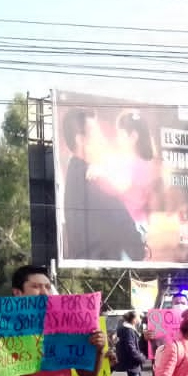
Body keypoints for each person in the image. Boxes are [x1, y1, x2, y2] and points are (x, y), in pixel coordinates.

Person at [60, 107, 146, 262]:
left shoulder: (79, 171)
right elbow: (124, 226)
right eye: (96, 132)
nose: (102, 138)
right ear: (81, 140)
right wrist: (140, 248)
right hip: (109, 264)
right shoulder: (93, 177)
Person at [114, 311, 147, 376]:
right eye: (139, 317)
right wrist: (141, 358)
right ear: (134, 320)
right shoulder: (129, 331)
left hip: (133, 364)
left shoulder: (128, 329)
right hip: (133, 364)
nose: (140, 319)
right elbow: (131, 348)